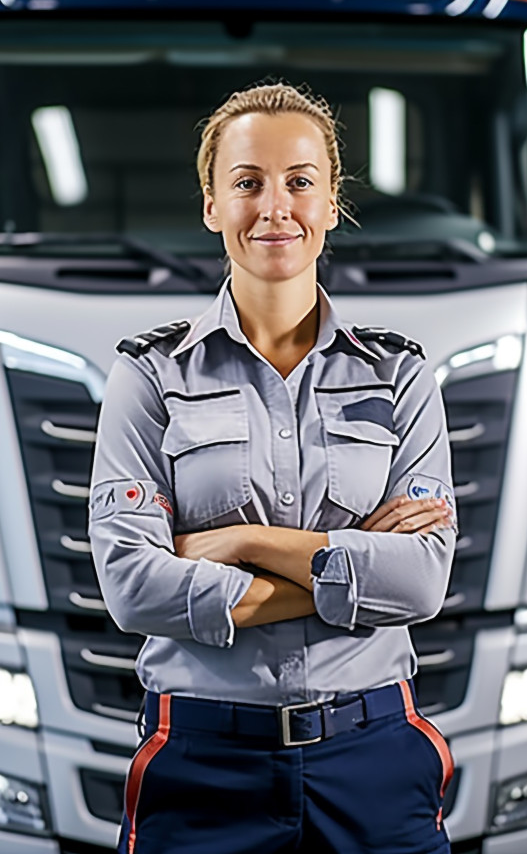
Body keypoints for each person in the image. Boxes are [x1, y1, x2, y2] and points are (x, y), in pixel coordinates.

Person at [89, 81, 458, 854]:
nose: (274, 207)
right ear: (211, 206)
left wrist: (241, 541)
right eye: (247, 183)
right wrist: (354, 568)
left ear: (330, 204)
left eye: (300, 182)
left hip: (376, 758)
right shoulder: (151, 375)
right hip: (200, 763)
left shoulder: (399, 377)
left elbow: (422, 582)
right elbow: (130, 586)